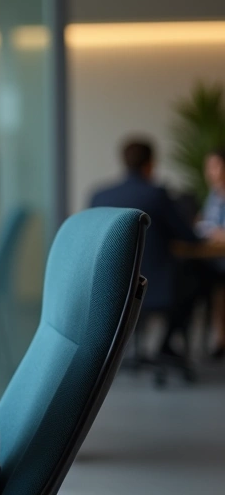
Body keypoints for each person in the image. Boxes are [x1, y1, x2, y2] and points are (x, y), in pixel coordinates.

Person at [89, 138, 202, 359]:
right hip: (153, 287)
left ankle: (134, 349)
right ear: (150, 164)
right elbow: (189, 238)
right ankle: (166, 346)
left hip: (111, 286)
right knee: (197, 282)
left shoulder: (99, 196)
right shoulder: (156, 194)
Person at [197, 147, 225, 359]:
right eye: (209, 167)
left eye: (215, 166)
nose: (210, 172)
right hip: (214, 258)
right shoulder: (214, 196)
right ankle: (220, 340)